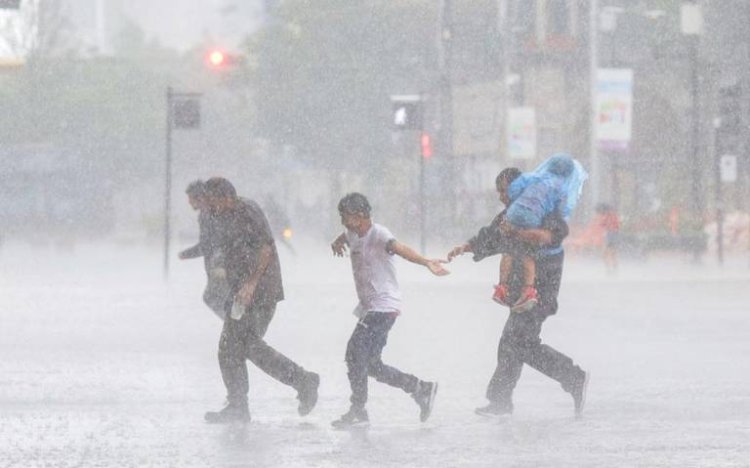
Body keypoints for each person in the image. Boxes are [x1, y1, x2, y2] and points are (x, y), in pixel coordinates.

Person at [447, 168, 589, 418]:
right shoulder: (512, 215)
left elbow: (543, 243)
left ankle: (572, 376)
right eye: (499, 192)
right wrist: (467, 246)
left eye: (504, 191)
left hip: (538, 293)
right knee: (512, 343)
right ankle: (502, 401)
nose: (501, 197)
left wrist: (530, 286)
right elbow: (492, 236)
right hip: (524, 293)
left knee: (521, 344)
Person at [202, 177, 320, 423]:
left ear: (226, 197)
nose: (211, 206)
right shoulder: (221, 216)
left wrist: (251, 284)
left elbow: (266, 248)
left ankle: (302, 381)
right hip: (239, 294)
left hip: (261, 292)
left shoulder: (247, 210)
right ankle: (240, 405)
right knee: (231, 348)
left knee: (245, 346)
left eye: (213, 201)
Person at [330, 192, 449, 428]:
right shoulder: (352, 233)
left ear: (361, 215)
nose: (343, 221)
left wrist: (426, 262)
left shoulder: (379, 234)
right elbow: (344, 235)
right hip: (370, 308)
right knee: (372, 365)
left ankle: (358, 411)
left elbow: (400, 248)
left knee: (354, 354)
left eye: (346, 216)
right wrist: (338, 242)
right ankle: (421, 389)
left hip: (383, 307)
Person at [493, 153, 587, 313]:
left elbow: (515, 188)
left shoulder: (533, 178)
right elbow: (561, 208)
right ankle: (528, 290)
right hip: (534, 216)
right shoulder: (561, 187)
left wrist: (519, 201)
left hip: (515, 212)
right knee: (529, 254)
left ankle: (501, 286)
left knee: (507, 252)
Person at [178, 180, 230, 319]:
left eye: (190, 199)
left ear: (199, 197)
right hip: (219, 265)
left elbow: (209, 245)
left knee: (212, 297)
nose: (189, 203)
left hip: (220, 265)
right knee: (222, 299)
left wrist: (187, 254)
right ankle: (238, 328)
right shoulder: (208, 214)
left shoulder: (211, 215)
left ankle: (238, 329)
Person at [595, 203, 620, 274]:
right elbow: (616, 225)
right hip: (613, 235)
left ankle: (610, 269)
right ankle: (613, 269)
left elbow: (603, 224)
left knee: (607, 253)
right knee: (612, 253)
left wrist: (605, 225)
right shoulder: (612, 215)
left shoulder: (609, 216)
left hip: (611, 235)